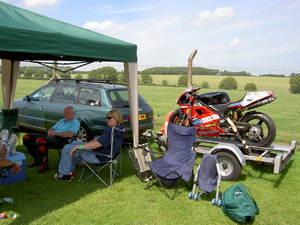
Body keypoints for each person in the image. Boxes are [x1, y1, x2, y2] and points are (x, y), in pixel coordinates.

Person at [54, 109, 123, 181]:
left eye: (109, 118)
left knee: (67, 148)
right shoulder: (118, 129)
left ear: (116, 118)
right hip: (105, 154)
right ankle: (72, 169)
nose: (107, 119)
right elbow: (100, 139)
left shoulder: (110, 131)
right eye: (107, 117)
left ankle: (65, 175)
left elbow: (96, 145)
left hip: (99, 157)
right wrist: (88, 143)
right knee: (74, 143)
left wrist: (78, 147)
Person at [23, 106, 80, 173]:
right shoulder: (62, 121)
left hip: (63, 140)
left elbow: (70, 134)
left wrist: (56, 133)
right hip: (52, 136)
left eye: (66, 112)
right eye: (64, 112)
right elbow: (52, 128)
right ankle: (37, 159)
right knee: (27, 137)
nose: (64, 114)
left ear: (72, 112)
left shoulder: (75, 123)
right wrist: (50, 132)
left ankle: (45, 164)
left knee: (41, 141)